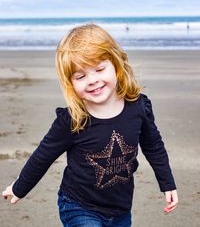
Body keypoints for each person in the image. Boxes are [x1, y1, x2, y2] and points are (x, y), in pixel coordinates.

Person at [2, 24, 178, 226]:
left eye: (99, 69)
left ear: (116, 64)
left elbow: (153, 145)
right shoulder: (73, 120)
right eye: (80, 76)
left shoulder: (138, 107)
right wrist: (20, 187)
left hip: (121, 209)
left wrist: (167, 183)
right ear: (71, 83)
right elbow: (43, 156)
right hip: (79, 206)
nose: (92, 80)